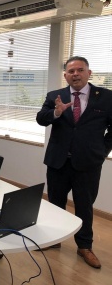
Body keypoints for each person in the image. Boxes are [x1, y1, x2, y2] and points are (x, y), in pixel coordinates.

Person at [36, 56, 112, 269]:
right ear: (65, 75)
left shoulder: (106, 97)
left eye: (80, 70)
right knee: (56, 203)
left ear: (89, 73)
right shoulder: (55, 96)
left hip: (88, 164)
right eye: (71, 71)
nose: (75, 74)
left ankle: (84, 246)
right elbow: (41, 118)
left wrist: (101, 152)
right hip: (58, 162)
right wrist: (56, 112)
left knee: (84, 206)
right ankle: (54, 240)